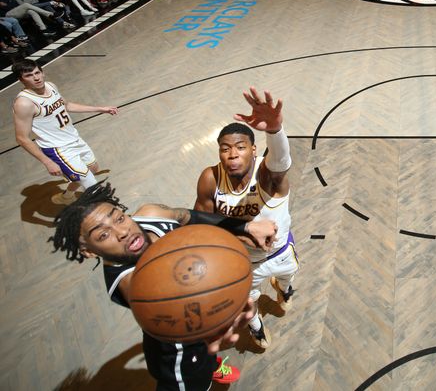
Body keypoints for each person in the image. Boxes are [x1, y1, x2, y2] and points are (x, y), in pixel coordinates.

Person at [49, 181, 280, 390]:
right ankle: (206, 376)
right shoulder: (131, 282)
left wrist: (245, 228)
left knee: (209, 359)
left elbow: (186, 217)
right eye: (102, 235)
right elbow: (189, 311)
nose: (122, 232)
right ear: (89, 251)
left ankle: (212, 366)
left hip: (176, 339)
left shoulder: (150, 213)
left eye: (119, 218)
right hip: (180, 356)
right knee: (198, 382)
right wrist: (218, 321)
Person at [195, 87, 297, 350]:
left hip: (280, 252)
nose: (232, 154)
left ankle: (283, 288)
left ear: (253, 150)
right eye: (225, 149)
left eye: (240, 147)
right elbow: (199, 224)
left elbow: (281, 161)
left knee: (287, 280)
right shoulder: (211, 178)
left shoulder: (266, 174)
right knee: (248, 302)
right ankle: (256, 329)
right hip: (243, 261)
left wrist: (275, 130)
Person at [12, 59, 118, 204]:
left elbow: (67, 105)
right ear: (21, 80)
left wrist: (100, 109)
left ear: (43, 73)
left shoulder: (51, 86)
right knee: (92, 186)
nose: (36, 78)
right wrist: (47, 162)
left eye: (37, 73)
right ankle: (112, 215)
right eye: (29, 75)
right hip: (58, 149)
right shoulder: (24, 103)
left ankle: (66, 197)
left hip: (74, 139)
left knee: (93, 168)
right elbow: (22, 138)